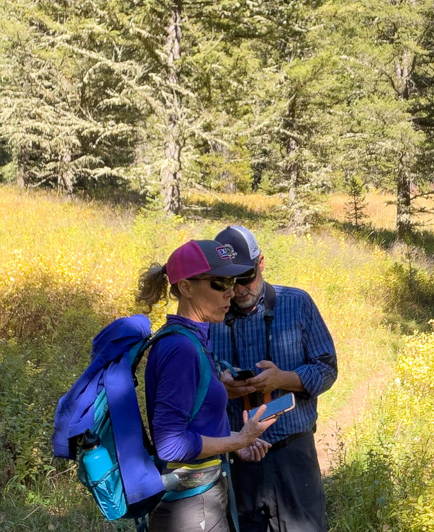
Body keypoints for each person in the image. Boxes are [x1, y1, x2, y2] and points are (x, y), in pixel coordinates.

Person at [136, 239, 278, 532]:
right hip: (189, 509)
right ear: (186, 287)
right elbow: (170, 444)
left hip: (201, 498)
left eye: (234, 280)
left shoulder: (194, 339)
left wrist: (233, 441)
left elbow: (194, 421)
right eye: (219, 282)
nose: (231, 291)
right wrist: (238, 440)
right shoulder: (181, 348)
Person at [209, 225, 338, 532]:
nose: (240, 290)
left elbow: (327, 367)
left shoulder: (297, 303)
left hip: (293, 451)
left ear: (262, 263)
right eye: (229, 282)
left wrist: (283, 379)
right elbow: (197, 385)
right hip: (238, 455)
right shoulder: (209, 318)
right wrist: (223, 389)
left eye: (247, 278)